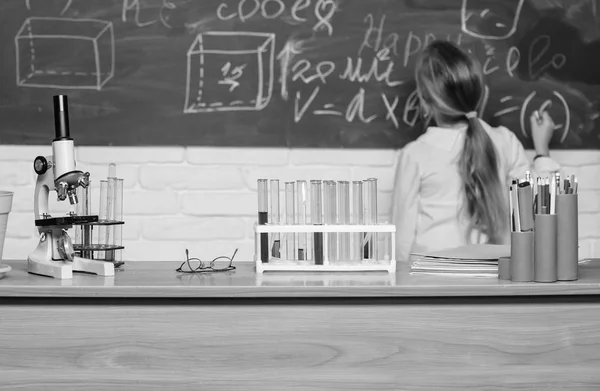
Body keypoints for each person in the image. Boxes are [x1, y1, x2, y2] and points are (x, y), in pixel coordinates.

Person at [392, 40, 560, 261]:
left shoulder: (415, 155)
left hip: (431, 283)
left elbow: (401, 242)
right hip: (494, 279)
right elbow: (541, 207)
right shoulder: (504, 141)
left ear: (425, 101)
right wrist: (542, 151)